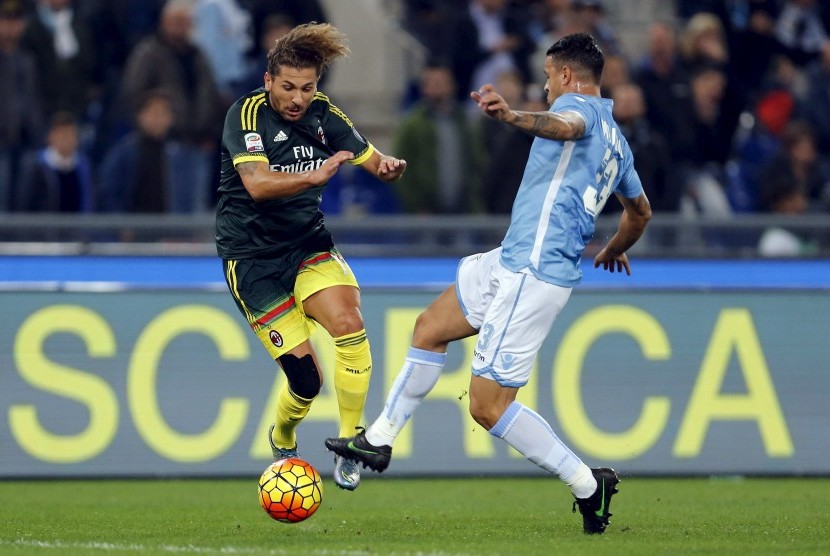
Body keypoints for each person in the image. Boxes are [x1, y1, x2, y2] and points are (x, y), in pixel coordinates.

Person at [326, 33, 651, 535]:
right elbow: (640, 211)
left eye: (547, 77)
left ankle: (588, 484)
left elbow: (563, 125)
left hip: (535, 273)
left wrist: (512, 117)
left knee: (486, 406)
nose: (544, 87)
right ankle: (381, 438)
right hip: (512, 259)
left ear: (566, 76)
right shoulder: (618, 143)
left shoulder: (578, 112)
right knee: (430, 326)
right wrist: (615, 247)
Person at [215, 22, 406, 491]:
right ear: (267, 82)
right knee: (305, 381)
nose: (297, 98)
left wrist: (388, 168)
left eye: (307, 87)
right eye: (287, 88)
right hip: (253, 259)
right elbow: (257, 185)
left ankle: (350, 443)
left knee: (348, 322)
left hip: (307, 245)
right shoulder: (247, 115)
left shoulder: (324, 114)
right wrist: (314, 178)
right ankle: (283, 435)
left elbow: (372, 160)